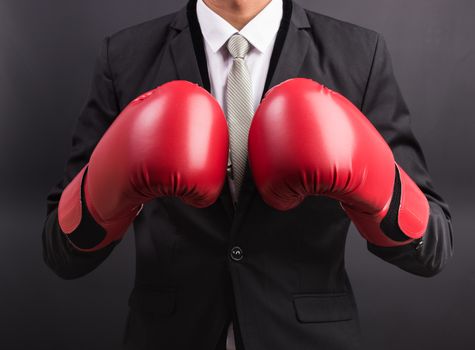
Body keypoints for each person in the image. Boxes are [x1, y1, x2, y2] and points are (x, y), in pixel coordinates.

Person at [42, 0, 454, 349]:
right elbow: (62, 251)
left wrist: (375, 185)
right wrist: (111, 189)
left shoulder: (359, 54)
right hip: (168, 335)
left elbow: (433, 247)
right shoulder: (126, 55)